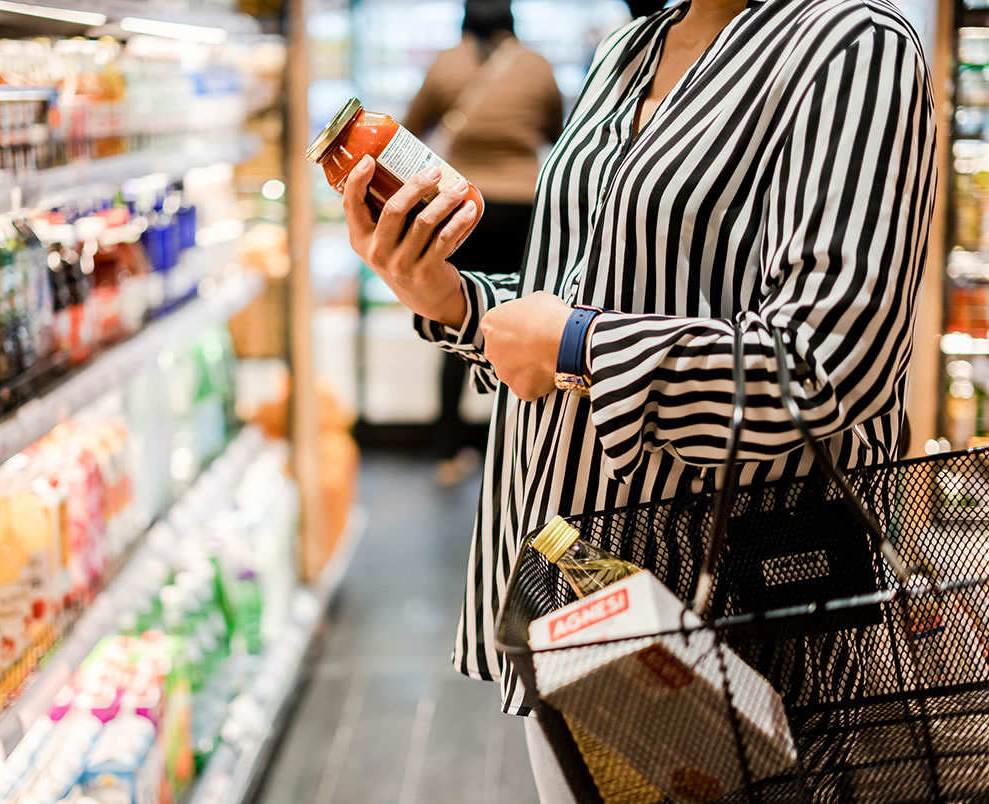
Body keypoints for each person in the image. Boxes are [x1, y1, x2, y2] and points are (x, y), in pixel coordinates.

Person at [341, 0, 936, 797]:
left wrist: (579, 345)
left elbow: (823, 367)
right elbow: (580, 292)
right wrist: (449, 299)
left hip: (722, 614)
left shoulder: (851, 44)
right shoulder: (630, 47)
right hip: (568, 586)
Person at [401, 0, 563, 484]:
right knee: (519, 319)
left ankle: (447, 451)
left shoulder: (444, 63)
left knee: (457, 317)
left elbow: (411, 131)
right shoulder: (536, 66)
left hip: (461, 206)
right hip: (523, 209)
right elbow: (557, 132)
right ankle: (516, 450)